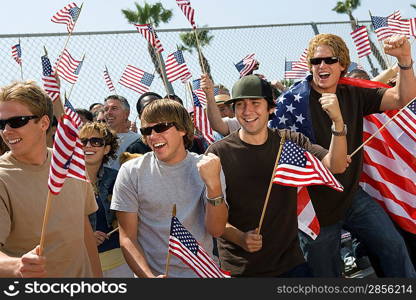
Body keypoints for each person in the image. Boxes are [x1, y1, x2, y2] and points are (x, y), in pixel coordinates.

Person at [272, 33, 416, 277]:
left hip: (351, 196)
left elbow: (402, 97)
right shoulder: (292, 103)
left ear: (343, 65)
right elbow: (327, 166)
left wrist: (404, 60)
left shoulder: (352, 92)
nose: (322, 66)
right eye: (316, 62)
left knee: (393, 247)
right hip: (315, 206)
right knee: (327, 274)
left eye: (330, 60)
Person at [205, 75, 348, 277]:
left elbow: (337, 165)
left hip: (291, 263)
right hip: (242, 270)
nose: (247, 111)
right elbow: (215, 224)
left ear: (270, 108)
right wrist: (240, 238)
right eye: (240, 105)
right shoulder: (217, 153)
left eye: (255, 103)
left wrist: (338, 121)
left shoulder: (289, 141)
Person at [110, 99, 228, 278]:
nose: (153, 135)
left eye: (161, 127)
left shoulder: (207, 167)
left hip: (202, 272)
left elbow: (217, 230)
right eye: (147, 130)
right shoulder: (131, 171)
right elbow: (127, 238)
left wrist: (214, 186)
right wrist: (149, 278)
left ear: (182, 129)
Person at [0, 81, 101, 277]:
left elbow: (83, 228)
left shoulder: (71, 164)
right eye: (1, 123)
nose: (6, 131)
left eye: (17, 121)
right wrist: (15, 266)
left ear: (44, 123)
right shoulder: (3, 178)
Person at [79, 121, 134, 277]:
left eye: (95, 141)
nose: (88, 146)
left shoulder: (116, 177)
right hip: (83, 263)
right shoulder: (65, 180)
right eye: (83, 141)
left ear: (106, 149)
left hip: (119, 261)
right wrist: (85, 236)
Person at [103, 95, 139, 170]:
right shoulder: (96, 140)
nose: (108, 112)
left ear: (126, 113)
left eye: (114, 108)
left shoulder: (138, 140)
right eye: (106, 109)